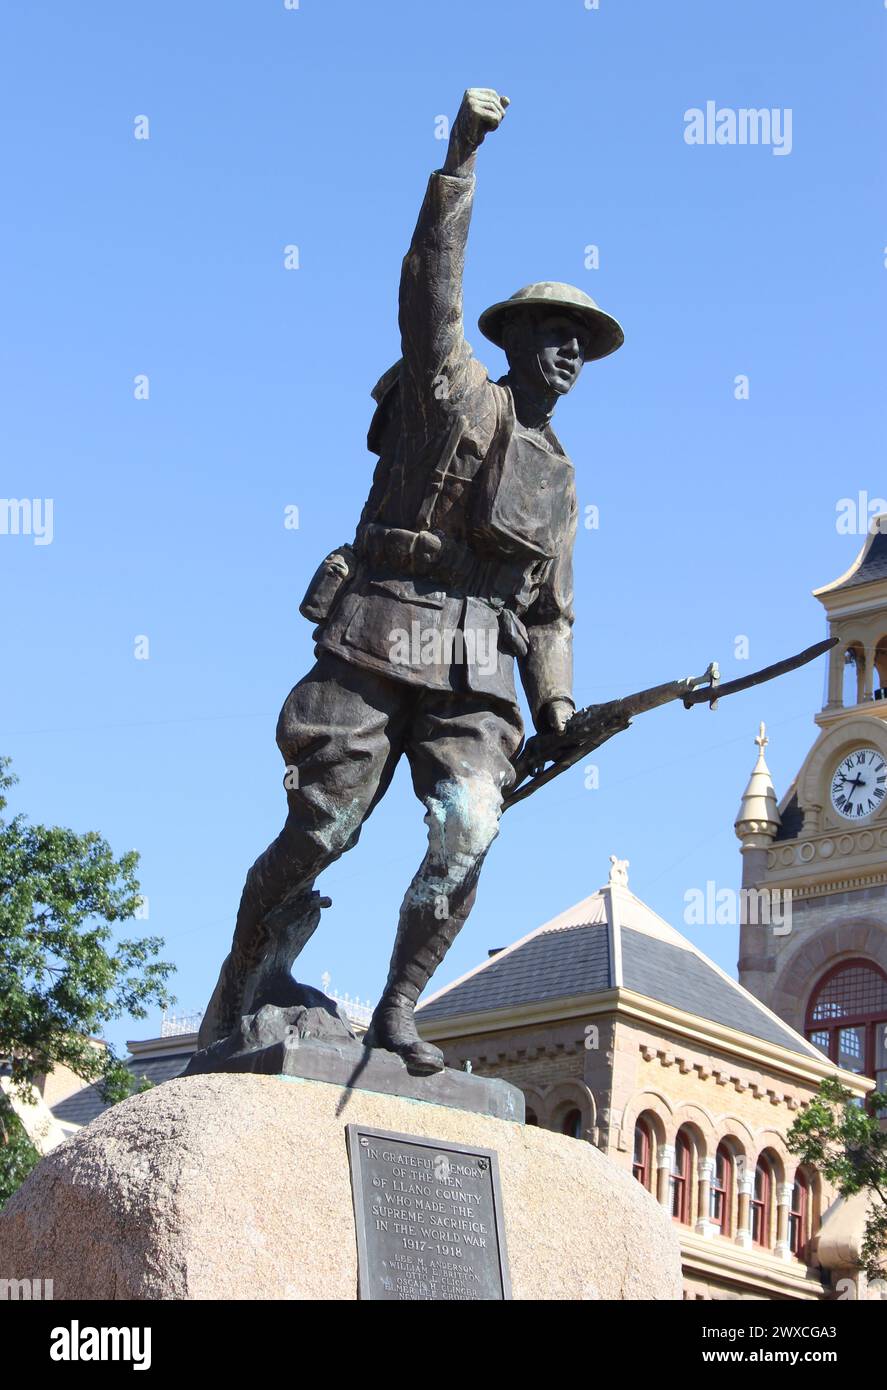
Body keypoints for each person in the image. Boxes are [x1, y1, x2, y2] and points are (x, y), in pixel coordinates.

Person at [197, 88, 624, 1072]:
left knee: (467, 826)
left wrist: (555, 702)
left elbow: (549, 610)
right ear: (510, 337)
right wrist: (459, 160)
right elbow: (429, 280)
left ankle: (395, 1006)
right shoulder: (449, 387)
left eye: (582, 345)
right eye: (555, 333)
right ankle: (243, 982)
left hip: (476, 662)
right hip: (383, 624)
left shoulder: (559, 477)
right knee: (323, 827)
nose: (569, 354)